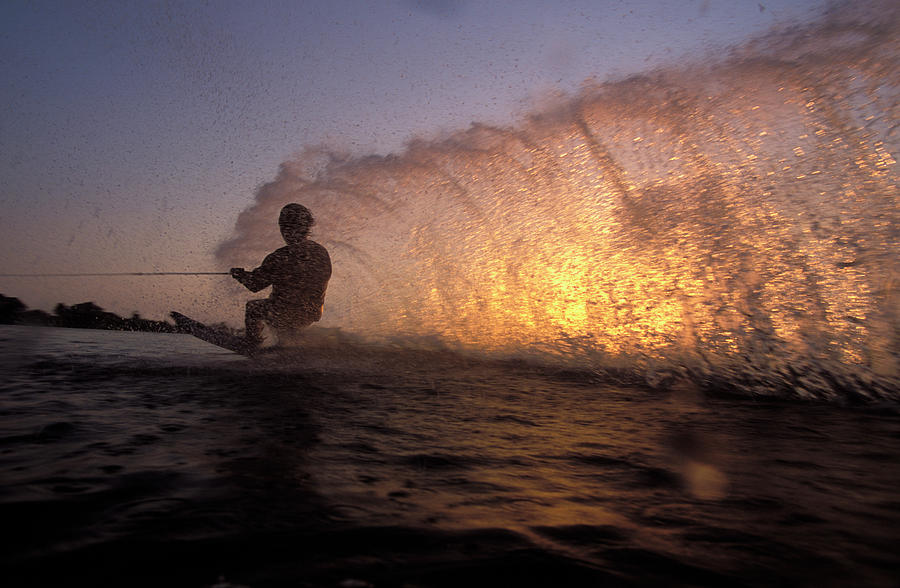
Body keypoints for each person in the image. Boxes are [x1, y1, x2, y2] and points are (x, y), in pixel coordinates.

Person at [230, 203, 331, 347]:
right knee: (282, 315)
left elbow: (254, 284)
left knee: (253, 308)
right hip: (311, 314)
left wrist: (239, 275)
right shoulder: (321, 252)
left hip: (285, 312)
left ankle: (252, 343)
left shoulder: (281, 256)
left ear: (284, 228)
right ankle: (285, 345)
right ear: (307, 226)